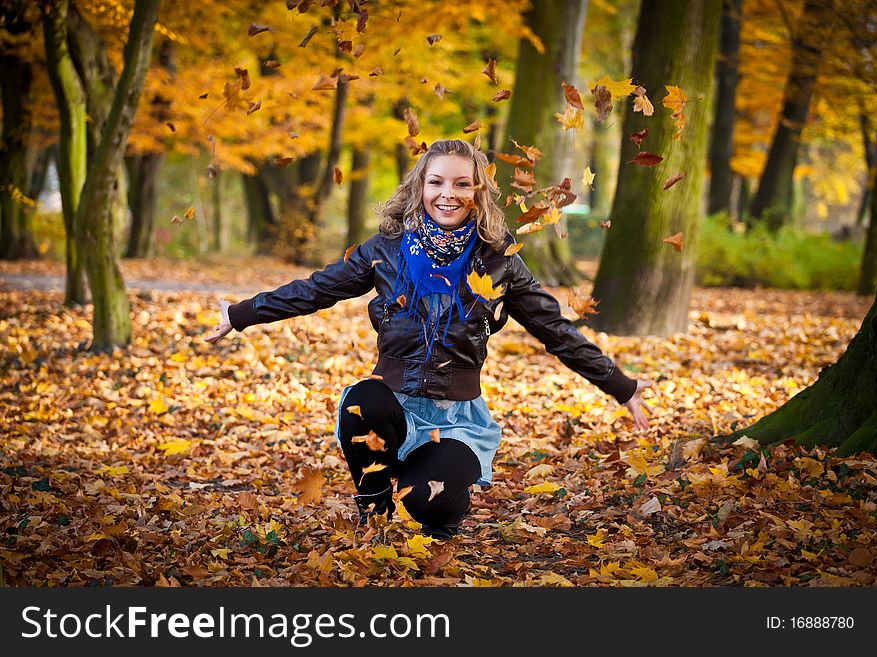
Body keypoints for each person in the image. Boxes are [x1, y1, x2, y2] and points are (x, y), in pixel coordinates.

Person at [204, 139, 653, 539]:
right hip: (393, 406)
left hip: (455, 419)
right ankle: (374, 507)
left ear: (478, 193)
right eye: (437, 182)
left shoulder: (500, 262)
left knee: (431, 504)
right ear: (421, 187)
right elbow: (317, 289)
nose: (448, 194)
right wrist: (240, 314)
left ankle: (426, 495)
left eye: (461, 184)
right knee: (364, 400)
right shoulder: (386, 249)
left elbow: (556, 331)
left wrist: (621, 386)